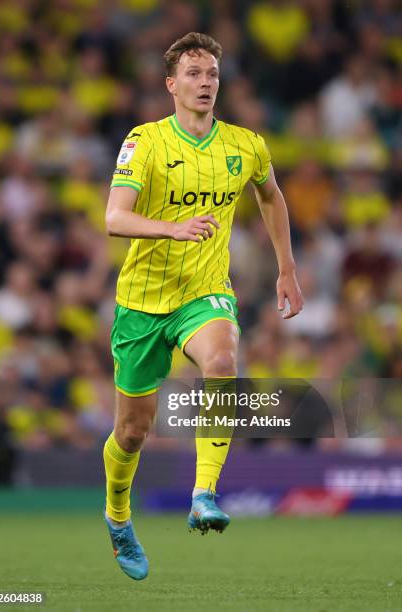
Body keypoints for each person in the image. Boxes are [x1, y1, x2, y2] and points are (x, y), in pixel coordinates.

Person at [103, 32, 303, 581]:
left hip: (204, 292)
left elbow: (270, 194)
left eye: (212, 73)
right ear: (171, 85)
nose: (205, 82)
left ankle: (204, 493)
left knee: (221, 363)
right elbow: (114, 218)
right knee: (132, 432)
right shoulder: (144, 142)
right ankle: (118, 517)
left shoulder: (244, 145)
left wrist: (286, 268)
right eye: (193, 73)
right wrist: (171, 228)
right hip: (142, 302)